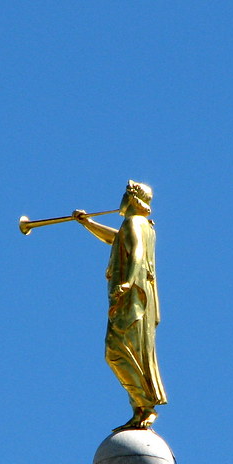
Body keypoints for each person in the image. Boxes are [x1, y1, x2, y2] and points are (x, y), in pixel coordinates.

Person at [73, 181, 167, 430]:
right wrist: (88, 224)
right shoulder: (143, 225)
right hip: (140, 294)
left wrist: (125, 284)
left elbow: (135, 252)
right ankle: (141, 407)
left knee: (116, 350)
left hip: (132, 295)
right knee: (130, 350)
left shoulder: (134, 222)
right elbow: (118, 240)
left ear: (133, 199)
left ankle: (144, 403)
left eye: (125, 195)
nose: (121, 201)